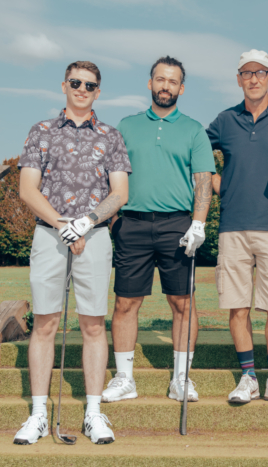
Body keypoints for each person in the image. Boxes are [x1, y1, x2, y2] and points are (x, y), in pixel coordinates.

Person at [14, 60, 132, 445]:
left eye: (90, 85)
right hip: (50, 235)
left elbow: (119, 193)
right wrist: (64, 225)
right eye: (76, 82)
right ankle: (38, 415)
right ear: (64, 85)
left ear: (98, 91)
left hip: (94, 237)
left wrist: (85, 223)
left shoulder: (110, 136)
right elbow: (28, 189)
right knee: (45, 323)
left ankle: (94, 413)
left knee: (93, 325)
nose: (83, 89)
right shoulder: (42, 131)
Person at [102, 56, 215, 403]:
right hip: (132, 223)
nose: (166, 86)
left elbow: (203, 181)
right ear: (150, 83)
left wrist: (198, 222)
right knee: (124, 303)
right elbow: (111, 176)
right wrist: (111, 219)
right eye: (160, 79)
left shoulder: (194, 129)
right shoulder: (126, 125)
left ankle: (181, 378)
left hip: (178, 225)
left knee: (182, 303)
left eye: (173, 81)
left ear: (181, 88)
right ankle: (124, 379)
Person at [205, 50, 268, 405]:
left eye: (260, 72)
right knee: (237, 306)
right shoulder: (225, 120)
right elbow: (197, 152)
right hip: (232, 227)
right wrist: (219, 184)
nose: (254, 79)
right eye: (246, 73)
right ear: (239, 79)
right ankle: (248, 377)